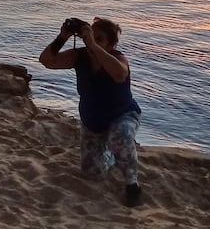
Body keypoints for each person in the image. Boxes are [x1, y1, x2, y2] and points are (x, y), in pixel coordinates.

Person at [39, 16, 144, 207]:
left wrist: (93, 46)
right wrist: (62, 37)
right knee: (92, 173)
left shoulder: (119, 59)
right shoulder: (80, 57)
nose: (93, 41)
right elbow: (46, 61)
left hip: (122, 115)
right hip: (92, 122)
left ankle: (132, 185)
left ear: (111, 45)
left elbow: (120, 75)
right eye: (91, 36)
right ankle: (113, 155)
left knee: (119, 136)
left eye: (100, 38)